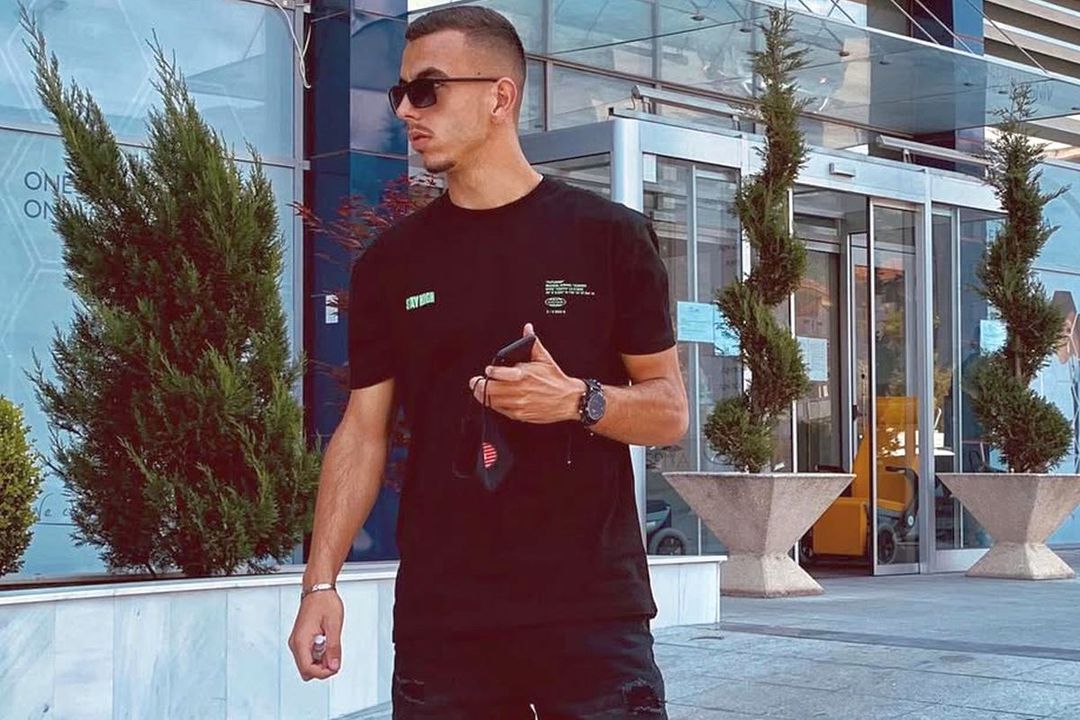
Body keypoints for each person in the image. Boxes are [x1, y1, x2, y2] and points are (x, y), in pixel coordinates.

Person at [288, 6, 688, 718]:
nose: (407, 110)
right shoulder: (389, 264)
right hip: (445, 621)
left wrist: (578, 399)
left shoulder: (610, 238)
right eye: (402, 92)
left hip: (591, 614)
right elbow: (362, 430)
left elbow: (669, 410)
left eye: (428, 89)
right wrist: (321, 584)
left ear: (500, 96)